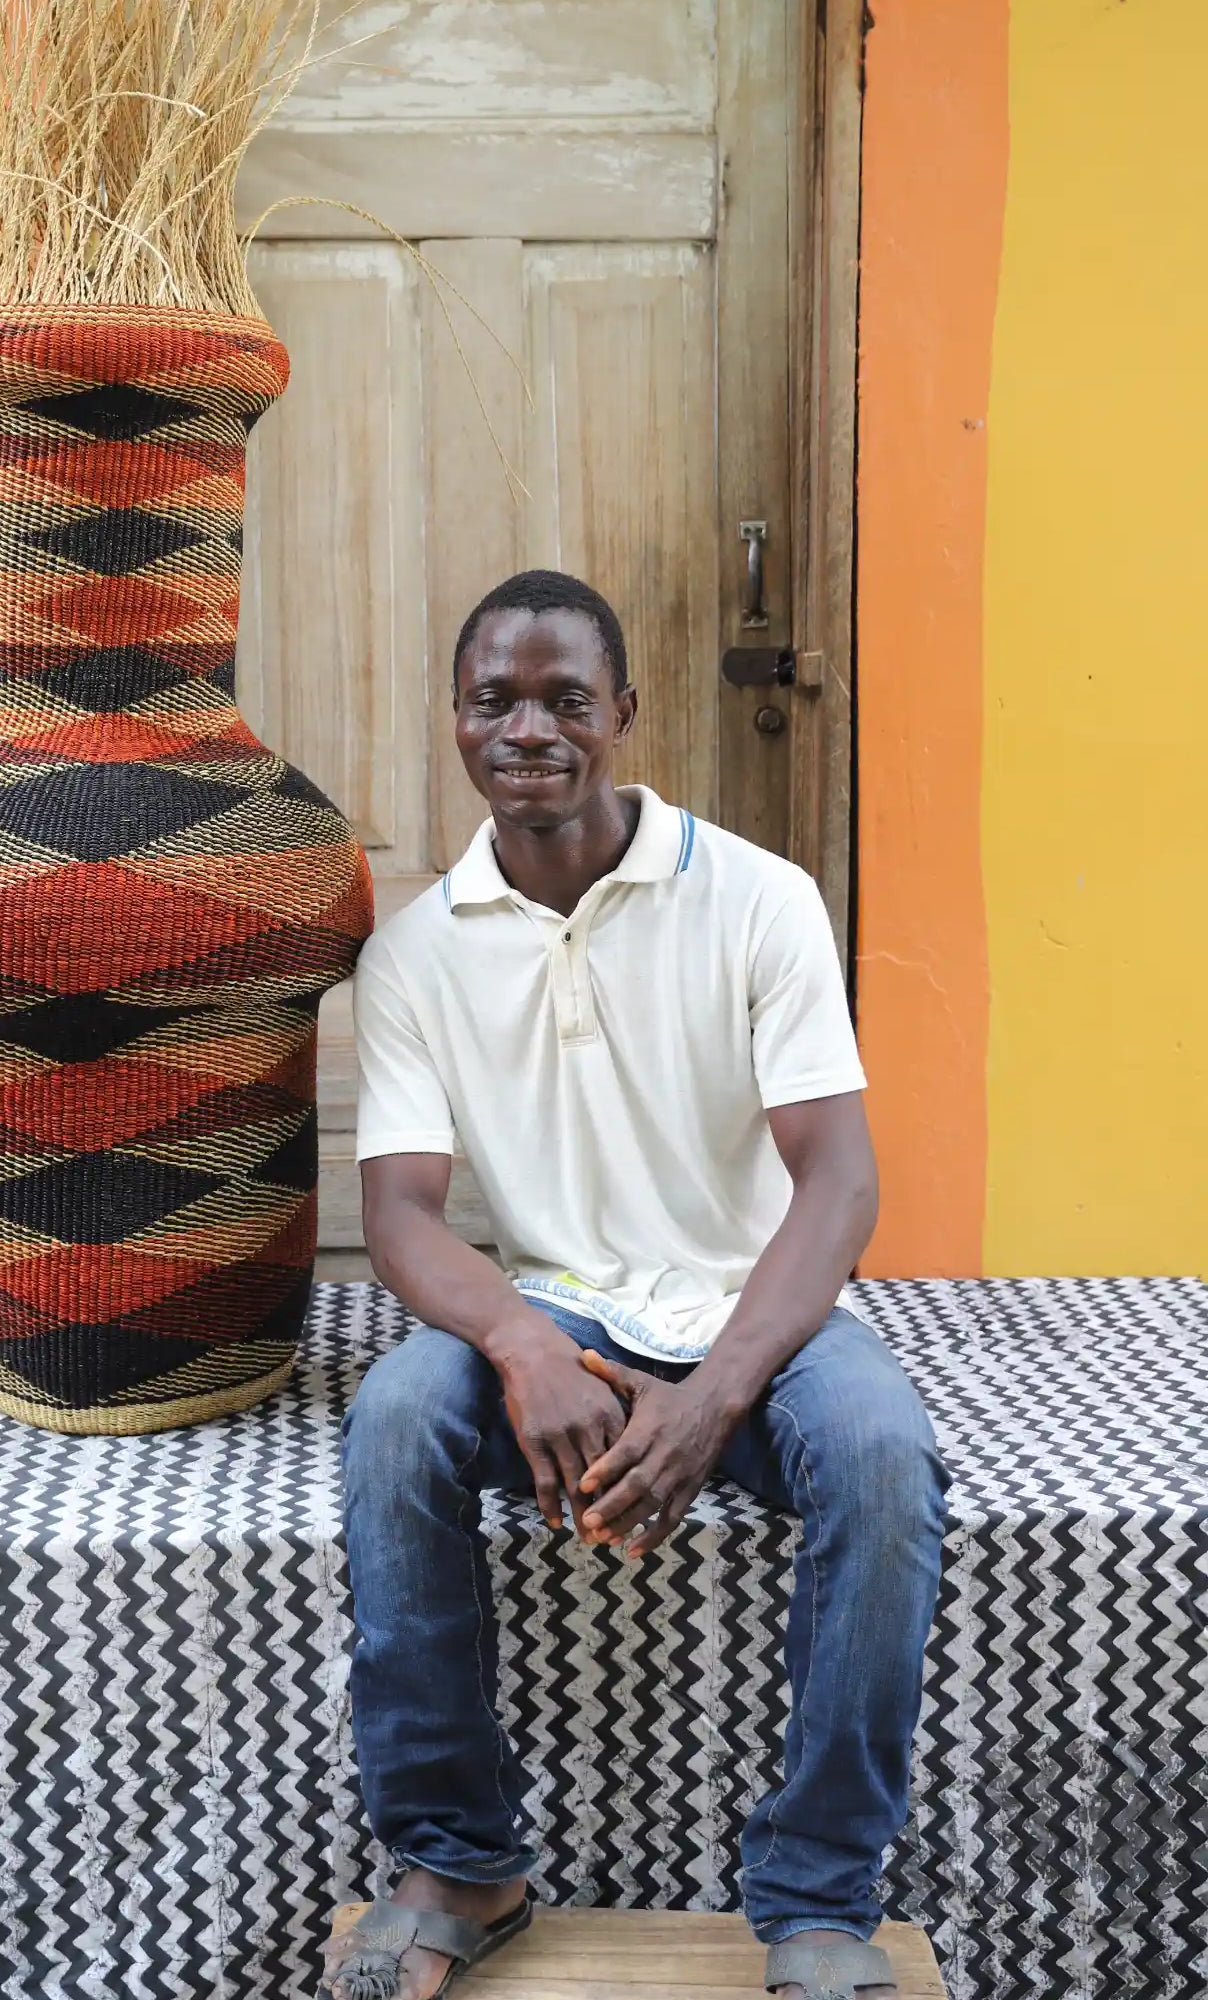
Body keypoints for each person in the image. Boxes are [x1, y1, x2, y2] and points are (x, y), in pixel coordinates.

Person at [322, 571, 949, 2000]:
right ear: (456, 720)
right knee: (397, 1422)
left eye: (565, 700)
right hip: (559, 1299)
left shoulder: (759, 898)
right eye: (493, 701)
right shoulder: (415, 953)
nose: (528, 730)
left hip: (755, 1302)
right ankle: (460, 1861)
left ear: (624, 713)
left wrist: (715, 1394)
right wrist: (520, 1342)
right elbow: (400, 1215)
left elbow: (838, 1184)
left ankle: (819, 1900)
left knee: (881, 1455)